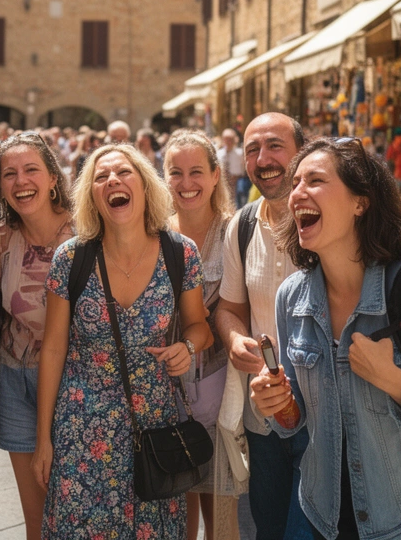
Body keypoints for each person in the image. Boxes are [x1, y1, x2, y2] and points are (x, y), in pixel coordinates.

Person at [249, 137, 401, 540]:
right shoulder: (290, 298)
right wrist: (277, 404)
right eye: (295, 183)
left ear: (360, 202)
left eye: (315, 180)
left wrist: (394, 380)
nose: (297, 193)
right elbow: (295, 423)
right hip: (326, 518)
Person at [34, 144, 213, 540]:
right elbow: (53, 348)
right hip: (81, 430)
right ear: (93, 197)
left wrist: (187, 348)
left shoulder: (180, 252)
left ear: (145, 186)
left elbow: (200, 326)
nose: (113, 180)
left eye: (124, 172)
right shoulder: (71, 258)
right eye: (101, 177)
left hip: (154, 429)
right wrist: (43, 439)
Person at [0, 132, 74, 540]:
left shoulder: (86, 232)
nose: (20, 181)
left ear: (52, 178)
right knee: (36, 520)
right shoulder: (4, 236)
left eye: (31, 170)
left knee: (79, 510)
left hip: (75, 383)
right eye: (9, 174)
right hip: (14, 381)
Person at [213, 112, 309, 540]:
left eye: (274, 146)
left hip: (322, 415)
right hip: (264, 416)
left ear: (301, 154)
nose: (263, 158)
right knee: (269, 529)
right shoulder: (243, 225)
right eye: (252, 149)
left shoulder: (325, 220)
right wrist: (234, 338)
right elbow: (229, 307)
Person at [163, 130, 240, 540]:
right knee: (174, 509)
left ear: (215, 176)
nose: (186, 183)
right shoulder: (152, 234)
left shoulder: (235, 233)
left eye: (196, 172)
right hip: (162, 394)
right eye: (176, 172)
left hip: (220, 391)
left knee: (221, 516)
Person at [216, 129, 249, 208]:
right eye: (226, 139)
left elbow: (245, 170)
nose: (228, 142)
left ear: (235, 140)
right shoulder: (218, 154)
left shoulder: (240, 153)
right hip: (223, 184)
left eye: (230, 139)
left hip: (238, 185)